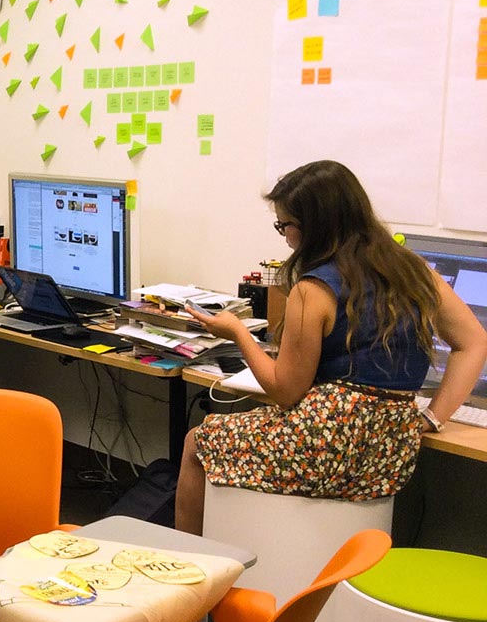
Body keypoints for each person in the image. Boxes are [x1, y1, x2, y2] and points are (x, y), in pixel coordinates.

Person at [175, 160, 487, 534]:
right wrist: (433, 418)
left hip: (324, 444)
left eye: (286, 225)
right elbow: (473, 342)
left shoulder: (314, 289)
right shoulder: (416, 271)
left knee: (198, 441)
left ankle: (192, 565)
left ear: (315, 226)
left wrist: (238, 332)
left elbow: (286, 391)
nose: (285, 236)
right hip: (389, 453)